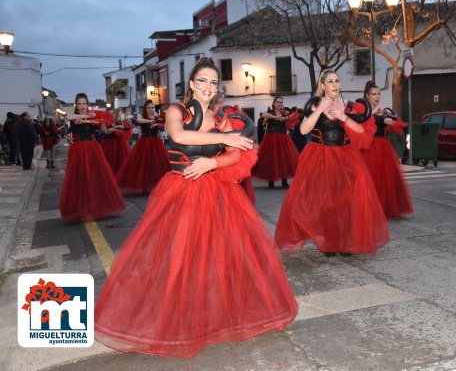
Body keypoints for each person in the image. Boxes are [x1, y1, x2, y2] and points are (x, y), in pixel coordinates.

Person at [94, 57, 297, 358]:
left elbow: (236, 155)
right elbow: (179, 136)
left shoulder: (223, 117)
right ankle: (176, 317)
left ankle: (215, 317)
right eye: (202, 80)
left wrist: (213, 161)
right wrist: (225, 138)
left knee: (219, 257)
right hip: (180, 191)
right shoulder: (176, 110)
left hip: (217, 192)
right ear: (191, 83)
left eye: (213, 82)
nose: (208, 86)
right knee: (177, 257)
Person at [274, 70, 389, 256]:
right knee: (326, 202)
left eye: (337, 81)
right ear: (323, 85)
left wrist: (343, 116)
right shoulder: (314, 105)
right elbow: (303, 130)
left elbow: (360, 131)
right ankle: (329, 241)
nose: (335, 84)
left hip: (345, 157)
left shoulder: (349, 106)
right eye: (330, 81)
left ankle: (344, 241)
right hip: (320, 156)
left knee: (346, 201)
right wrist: (320, 109)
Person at [59, 93, 125, 221]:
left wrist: (112, 127)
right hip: (78, 149)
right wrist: (86, 117)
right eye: (80, 104)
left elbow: (104, 128)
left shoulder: (94, 116)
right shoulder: (74, 116)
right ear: (76, 105)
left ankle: (97, 206)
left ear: (87, 104)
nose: (82, 106)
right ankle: (81, 208)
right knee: (80, 178)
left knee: (95, 177)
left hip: (93, 148)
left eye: (84, 103)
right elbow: (69, 116)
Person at [361, 81, 413, 218]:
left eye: (378, 94)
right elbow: (361, 120)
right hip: (369, 147)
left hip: (383, 146)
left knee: (386, 178)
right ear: (367, 96)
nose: (377, 97)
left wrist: (391, 122)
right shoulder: (362, 109)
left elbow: (395, 124)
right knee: (370, 178)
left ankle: (385, 208)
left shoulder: (382, 111)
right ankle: (370, 209)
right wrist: (375, 114)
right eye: (373, 94)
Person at [116, 100, 170, 193]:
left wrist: (157, 124)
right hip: (144, 143)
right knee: (142, 165)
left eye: (152, 108)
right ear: (145, 108)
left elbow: (163, 126)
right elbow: (139, 120)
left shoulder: (157, 117)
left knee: (156, 164)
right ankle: (144, 186)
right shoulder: (141, 116)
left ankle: (157, 185)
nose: (151, 109)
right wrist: (152, 121)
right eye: (149, 108)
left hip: (156, 143)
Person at [251, 96, 299, 189]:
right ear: (273, 103)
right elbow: (262, 115)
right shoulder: (270, 112)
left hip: (283, 138)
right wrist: (276, 117)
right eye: (277, 102)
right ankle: (271, 181)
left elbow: (295, 116)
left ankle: (284, 181)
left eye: (281, 102)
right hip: (271, 138)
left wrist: (286, 117)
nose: (279, 104)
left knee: (284, 158)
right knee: (270, 159)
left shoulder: (285, 112)